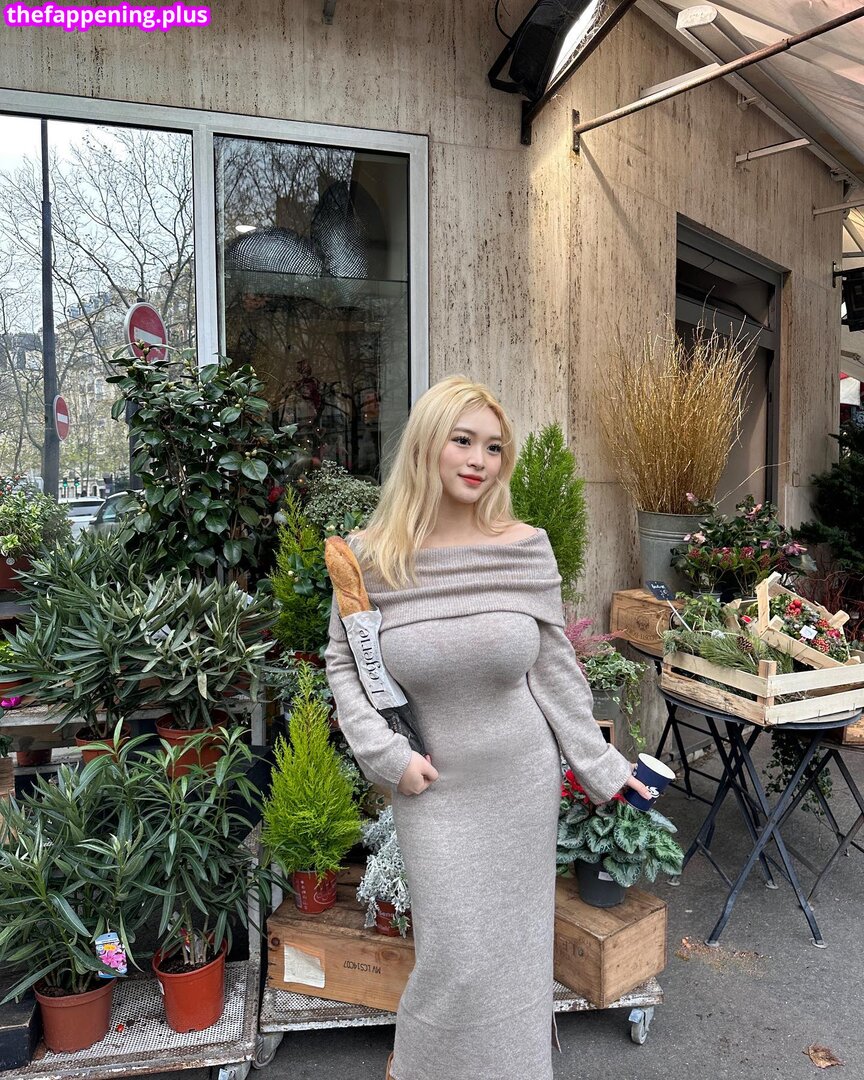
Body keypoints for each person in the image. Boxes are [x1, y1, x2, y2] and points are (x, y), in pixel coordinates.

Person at [324, 376, 652, 1080]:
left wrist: (601, 767)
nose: (479, 460)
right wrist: (386, 757)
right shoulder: (371, 556)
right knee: (457, 958)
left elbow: (554, 668)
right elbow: (345, 666)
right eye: (463, 440)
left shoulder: (523, 547)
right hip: (433, 786)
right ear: (427, 446)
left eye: (494, 447)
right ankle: (418, 1066)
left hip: (518, 781)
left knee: (515, 953)